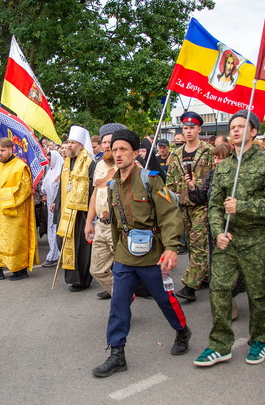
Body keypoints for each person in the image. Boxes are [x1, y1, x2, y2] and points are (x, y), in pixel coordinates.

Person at [92, 129, 189, 378]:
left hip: (151, 254)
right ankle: (117, 353)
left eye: (123, 149)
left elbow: (169, 214)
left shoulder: (150, 179)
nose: (118, 154)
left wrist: (171, 248)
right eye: (114, 149)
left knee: (164, 299)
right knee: (118, 303)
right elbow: (116, 223)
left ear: (136, 153)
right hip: (125, 254)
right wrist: (116, 250)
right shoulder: (113, 185)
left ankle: (182, 331)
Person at [194, 110, 265, 367]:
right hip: (228, 240)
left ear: (254, 132)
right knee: (219, 290)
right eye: (232, 126)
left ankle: (259, 339)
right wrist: (218, 232)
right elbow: (214, 206)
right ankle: (220, 344)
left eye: (241, 126)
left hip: (257, 240)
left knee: (258, 294)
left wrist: (242, 206)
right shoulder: (224, 167)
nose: (235, 130)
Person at [185, 144, 244, 320]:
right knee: (218, 266)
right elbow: (200, 197)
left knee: (233, 266)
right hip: (215, 228)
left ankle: (232, 297)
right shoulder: (212, 175)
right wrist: (192, 187)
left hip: (234, 227)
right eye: (215, 158)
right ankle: (226, 301)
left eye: (220, 158)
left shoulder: (237, 175)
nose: (217, 161)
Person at [166, 111, 214, 302]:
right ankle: (204, 276)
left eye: (192, 128)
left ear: (199, 129)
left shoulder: (208, 151)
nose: (188, 131)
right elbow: (170, 180)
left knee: (198, 244)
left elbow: (215, 178)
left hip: (201, 204)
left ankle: (190, 286)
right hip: (182, 205)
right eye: (185, 128)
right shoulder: (176, 154)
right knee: (194, 246)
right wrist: (170, 201)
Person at [0, 137, 38, 281]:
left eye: (2, 150)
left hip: (15, 210)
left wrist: (2, 194)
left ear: (11, 149)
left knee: (13, 241)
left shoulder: (20, 167)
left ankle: (20, 269)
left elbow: (25, 190)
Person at [53, 126, 96, 291]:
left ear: (81, 146)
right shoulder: (66, 162)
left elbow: (93, 189)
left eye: (72, 143)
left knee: (81, 247)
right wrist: (57, 205)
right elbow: (62, 187)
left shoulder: (89, 163)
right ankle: (72, 277)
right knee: (63, 242)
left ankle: (83, 280)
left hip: (81, 213)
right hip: (65, 209)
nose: (69, 145)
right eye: (69, 142)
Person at [84, 123, 125, 299]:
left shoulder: (127, 164)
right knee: (97, 270)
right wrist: (89, 223)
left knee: (124, 270)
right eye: (104, 142)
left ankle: (121, 302)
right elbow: (95, 194)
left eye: (111, 142)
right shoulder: (99, 165)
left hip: (120, 226)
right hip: (101, 225)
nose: (107, 146)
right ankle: (123, 295)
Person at [41, 150, 64, 267]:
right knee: (51, 228)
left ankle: (57, 254)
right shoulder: (50, 172)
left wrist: (56, 202)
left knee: (57, 229)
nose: (48, 162)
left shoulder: (61, 172)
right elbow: (44, 188)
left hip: (59, 205)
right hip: (50, 205)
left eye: (50, 160)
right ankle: (53, 253)